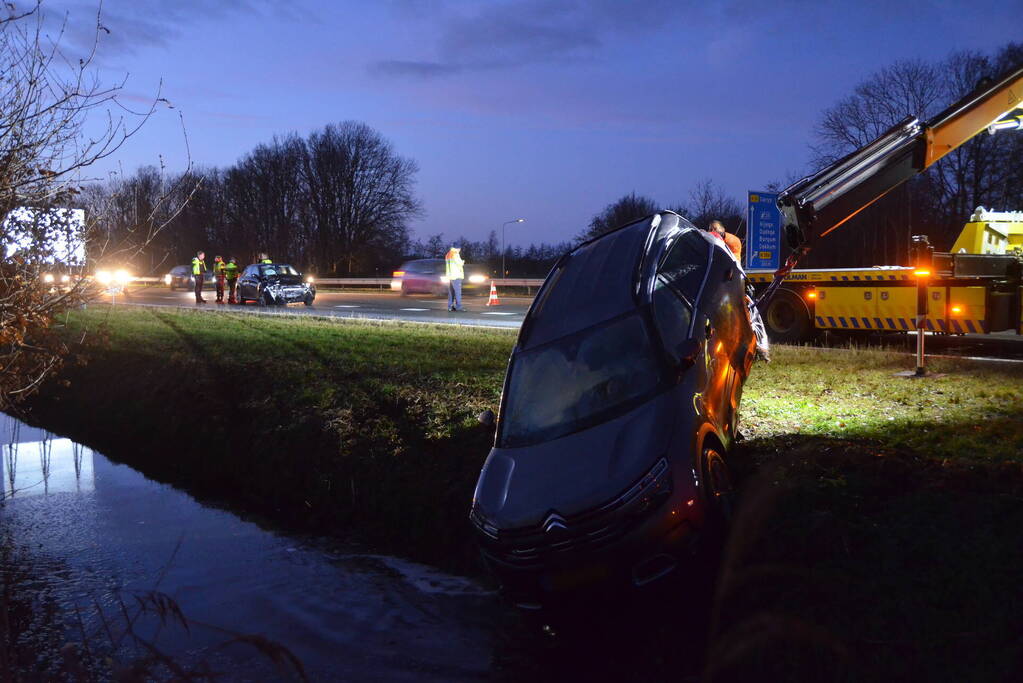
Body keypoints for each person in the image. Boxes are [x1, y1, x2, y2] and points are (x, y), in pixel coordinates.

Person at [444, 245, 465, 311]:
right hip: (456, 276)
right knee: (458, 292)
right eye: (459, 248)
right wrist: (462, 262)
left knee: (451, 292)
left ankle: (450, 306)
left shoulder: (448, 254)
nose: (460, 250)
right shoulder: (455, 254)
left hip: (450, 276)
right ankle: (459, 307)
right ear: (457, 248)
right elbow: (459, 263)